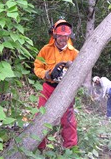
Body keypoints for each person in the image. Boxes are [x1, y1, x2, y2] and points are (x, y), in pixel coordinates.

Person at [34, 19, 79, 150]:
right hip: (48, 87)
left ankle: (70, 149)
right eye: (60, 36)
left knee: (68, 120)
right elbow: (37, 67)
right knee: (41, 117)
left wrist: (73, 68)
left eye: (65, 36)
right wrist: (47, 74)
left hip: (65, 90)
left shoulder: (74, 53)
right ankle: (40, 147)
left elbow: (81, 73)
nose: (63, 39)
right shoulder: (46, 50)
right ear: (54, 35)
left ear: (69, 36)